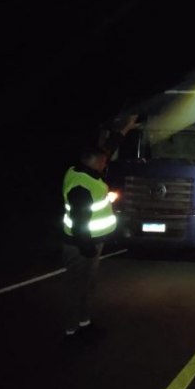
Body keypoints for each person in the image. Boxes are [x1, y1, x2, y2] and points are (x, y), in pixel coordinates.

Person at [61, 115, 138, 341]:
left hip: (91, 242)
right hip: (80, 245)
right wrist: (86, 247)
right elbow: (78, 219)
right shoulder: (81, 186)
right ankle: (71, 332)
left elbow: (106, 149)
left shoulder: (84, 170)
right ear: (94, 163)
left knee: (87, 286)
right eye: (103, 162)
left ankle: (84, 324)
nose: (106, 164)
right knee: (76, 288)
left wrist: (125, 130)